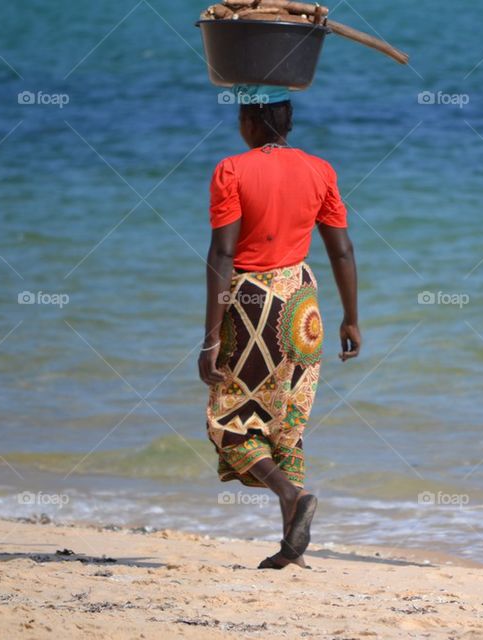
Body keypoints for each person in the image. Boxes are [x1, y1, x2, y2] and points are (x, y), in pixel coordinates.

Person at [198, 85, 361, 570]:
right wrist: (351, 317)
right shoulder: (320, 170)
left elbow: (224, 254)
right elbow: (342, 250)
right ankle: (293, 546)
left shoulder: (232, 170)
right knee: (286, 419)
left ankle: (291, 494)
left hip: (252, 303)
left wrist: (210, 335)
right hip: (303, 304)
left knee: (228, 419)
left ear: (249, 122)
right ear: (288, 124)